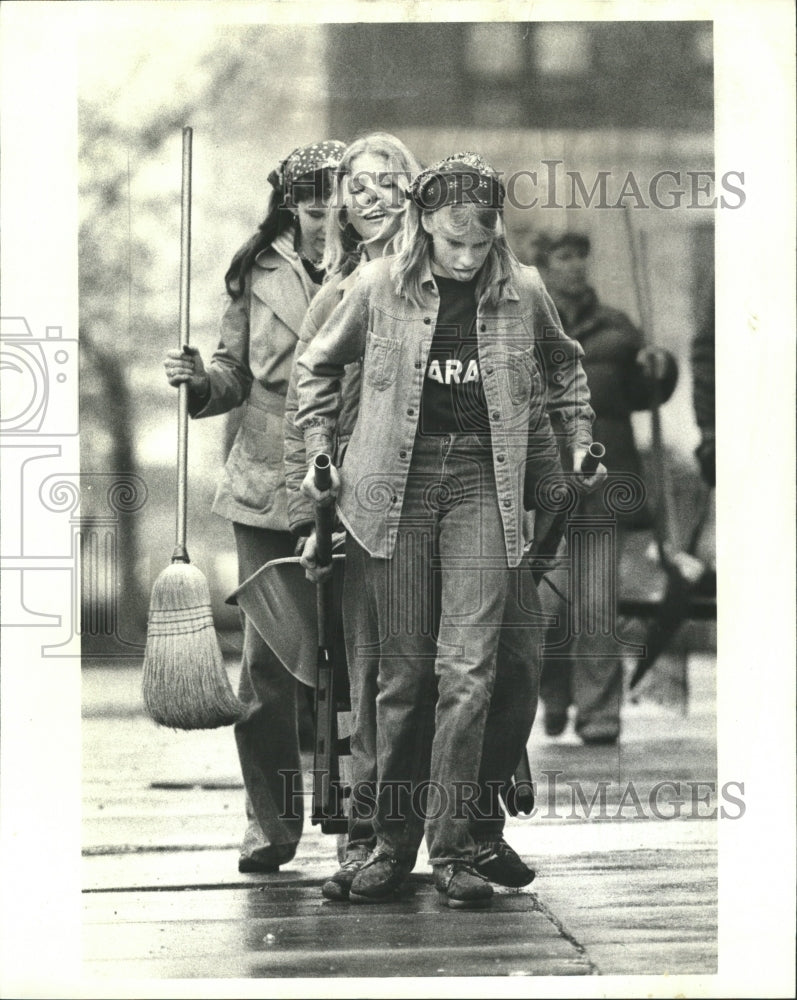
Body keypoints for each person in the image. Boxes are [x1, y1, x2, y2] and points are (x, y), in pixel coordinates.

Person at [295, 153, 603, 909]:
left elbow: (564, 371)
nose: (466, 259)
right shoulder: (375, 287)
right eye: (452, 245)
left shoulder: (521, 289)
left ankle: (459, 849)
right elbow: (315, 369)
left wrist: (577, 439)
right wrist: (319, 455)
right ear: (424, 226)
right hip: (389, 488)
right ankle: (388, 851)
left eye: (480, 244)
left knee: (470, 671)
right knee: (401, 679)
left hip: (480, 482)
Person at [163, 139, 346, 873]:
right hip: (267, 480)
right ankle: (270, 825)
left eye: (332, 200)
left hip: (354, 473)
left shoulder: (379, 266)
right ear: (287, 202)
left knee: (363, 662)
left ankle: (365, 823)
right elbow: (235, 373)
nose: (321, 214)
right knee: (270, 668)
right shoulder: (254, 271)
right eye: (308, 201)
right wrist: (200, 380)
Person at [527, 230, 677, 745]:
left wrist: (659, 368)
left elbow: (643, 394)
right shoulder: (522, 320)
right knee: (545, 605)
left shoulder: (617, 326)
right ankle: (550, 693)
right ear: (543, 265)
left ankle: (598, 713)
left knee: (595, 603)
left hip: (602, 477)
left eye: (581, 258)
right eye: (563, 257)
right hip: (540, 480)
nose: (575, 267)